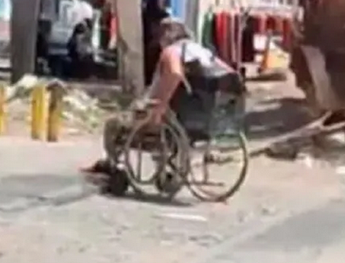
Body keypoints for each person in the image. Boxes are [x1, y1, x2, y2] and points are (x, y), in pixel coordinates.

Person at [94, 18, 238, 172]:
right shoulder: (202, 52)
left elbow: (175, 73)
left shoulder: (172, 51)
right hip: (199, 116)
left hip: (168, 115)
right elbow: (230, 74)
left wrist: (161, 105)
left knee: (113, 124)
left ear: (166, 36)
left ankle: (114, 165)